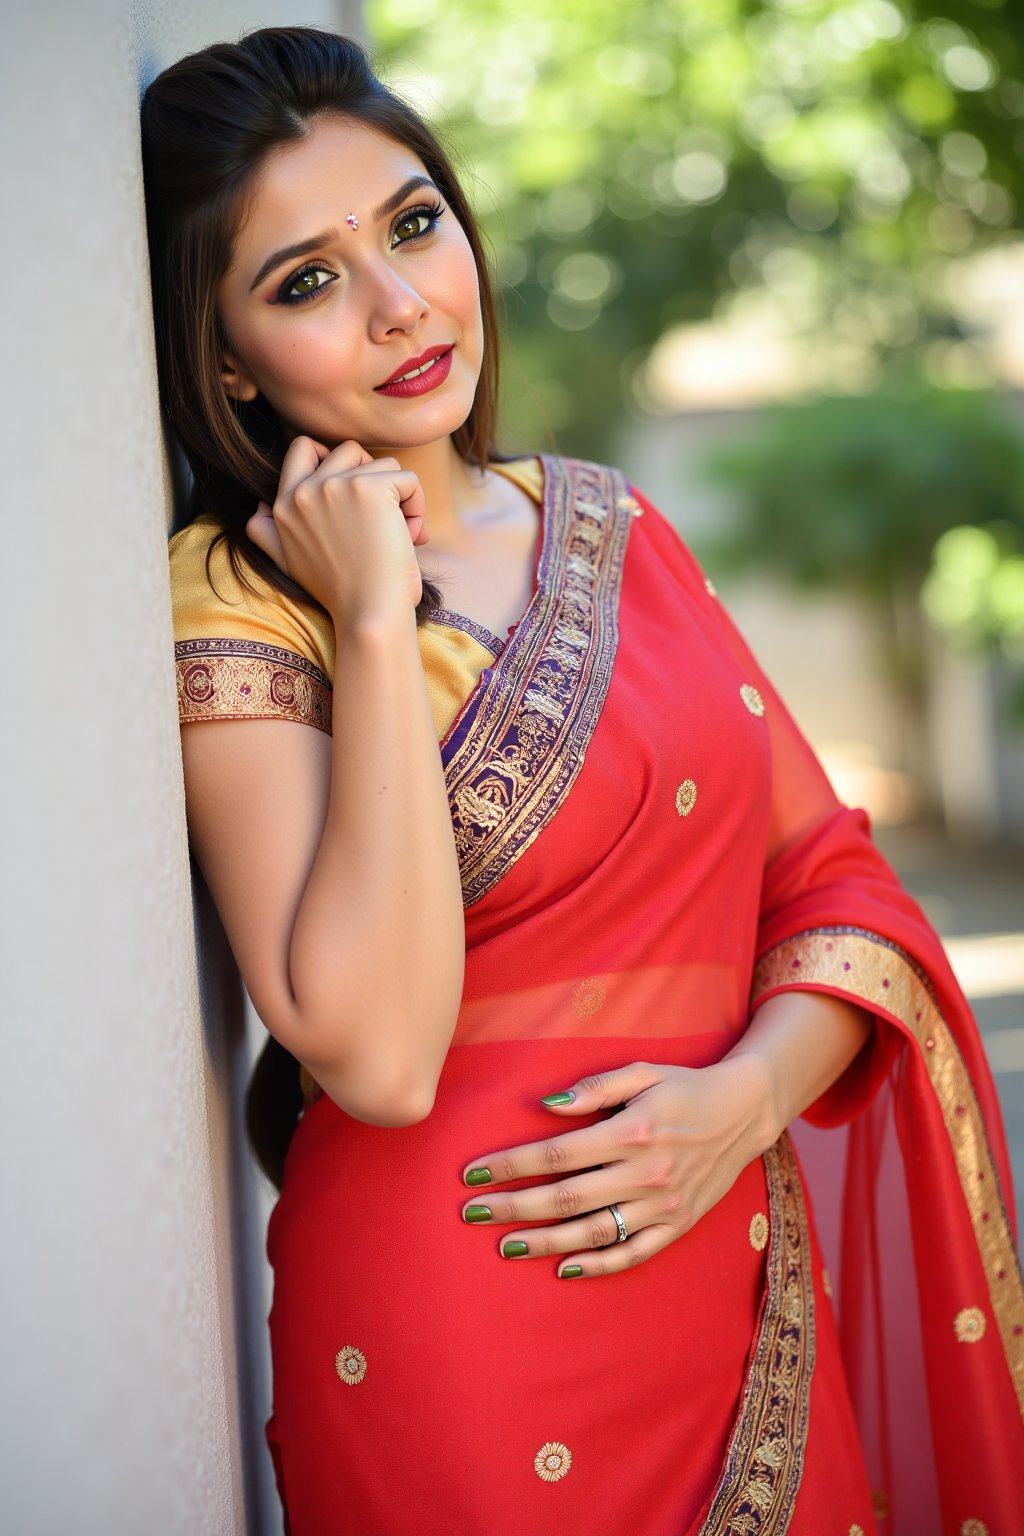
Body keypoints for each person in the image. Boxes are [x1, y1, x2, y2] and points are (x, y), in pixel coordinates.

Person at [142, 24, 1023, 1536]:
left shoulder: (614, 529)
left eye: (414, 226)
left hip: (731, 1282)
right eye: (306, 281)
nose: (401, 302)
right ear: (224, 356)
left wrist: (743, 1104)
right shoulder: (239, 598)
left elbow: (833, 882)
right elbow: (376, 1053)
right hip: (458, 1342)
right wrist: (366, 615)